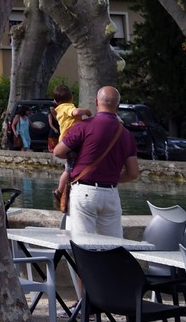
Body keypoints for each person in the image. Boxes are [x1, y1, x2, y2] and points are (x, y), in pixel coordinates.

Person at [53, 84, 138, 237]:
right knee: (112, 245)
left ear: (97, 102)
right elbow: (133, 173)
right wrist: (110, 177)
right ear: (117, 105)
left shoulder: (82, 127)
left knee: (82, 244)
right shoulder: (126, 135)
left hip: (84, 191)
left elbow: (58, 152)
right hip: (111, 194)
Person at [51, 85, 91, 205]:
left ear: (56, 101)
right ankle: (59, 190)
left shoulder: (59, 109)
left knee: (70, 166)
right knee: (69, 169)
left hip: (65, 141)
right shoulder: (68, 107)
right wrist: (86, 111)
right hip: (72, 141)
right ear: (71, 98)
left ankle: (63, 189)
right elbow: (76, 112)